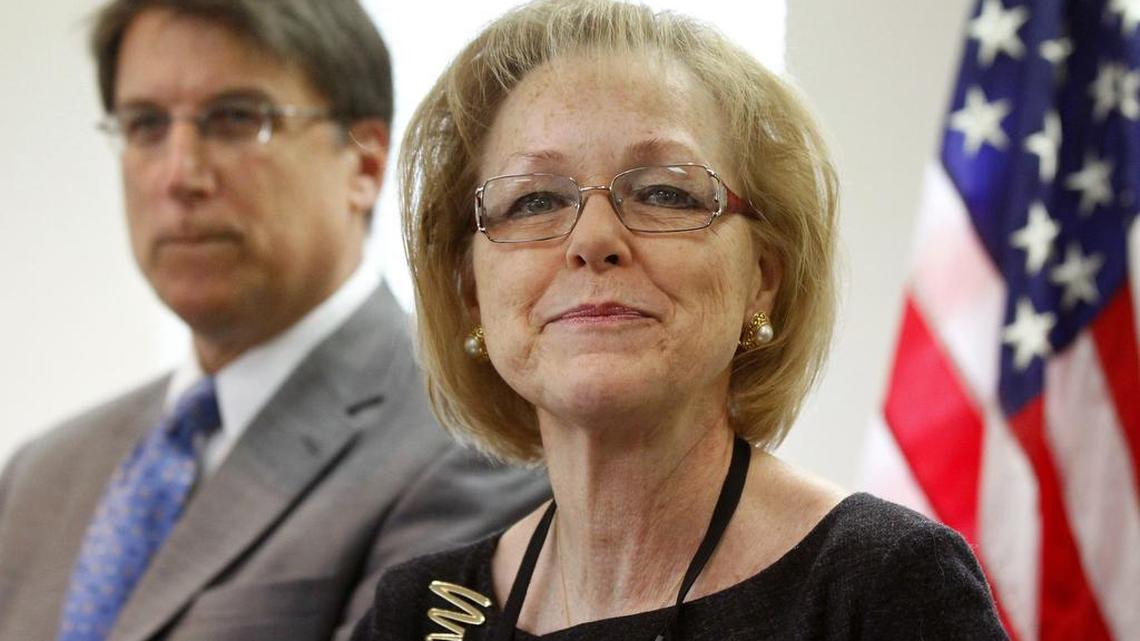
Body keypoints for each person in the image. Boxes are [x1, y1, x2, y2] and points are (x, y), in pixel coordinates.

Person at [350, 1, 1010, 639]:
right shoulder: (416, 611)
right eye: (535, 200)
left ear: (763, 277)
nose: (594, 238)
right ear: (470, 292)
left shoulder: (882, 584)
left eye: (665, 191)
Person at [0, 1, 548, 640]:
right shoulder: (39, 477)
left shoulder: (472, 440)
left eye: (236, 119)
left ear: (365, 164)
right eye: (146, 124)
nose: (180, 175)